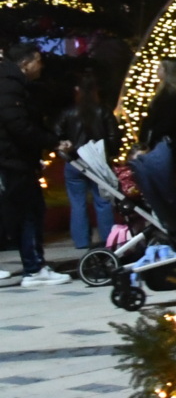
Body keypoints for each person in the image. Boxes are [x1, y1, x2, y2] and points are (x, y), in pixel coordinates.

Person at [0, 44, 71, 288]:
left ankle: (34, 265)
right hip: (13, 160)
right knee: (29, 212)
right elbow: (18, 124)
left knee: (20, 213)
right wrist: (52, 142)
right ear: (25, 63)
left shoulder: (12, 83)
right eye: (38, 60)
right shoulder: (10, 85)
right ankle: (34, 268)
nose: (41, 65)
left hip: (14, 159)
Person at [134, 58, 176, 230]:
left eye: (160, 68)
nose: (157, 70)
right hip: (174, 144)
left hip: (164, 146)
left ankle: (170, 219)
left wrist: (149, 137)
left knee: (166, 181)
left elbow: (164, 123)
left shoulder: (168, 95)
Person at [56, 77, 117, 252]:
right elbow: (113, 136)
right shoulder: (103, 111)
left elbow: (58, 132)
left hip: (75, 161)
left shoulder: (69, 112)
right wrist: (110, 154)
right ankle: (108, 239)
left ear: (78, 91)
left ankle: (81, 241)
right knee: (103, 202)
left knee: (77, 203)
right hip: (98, 162)